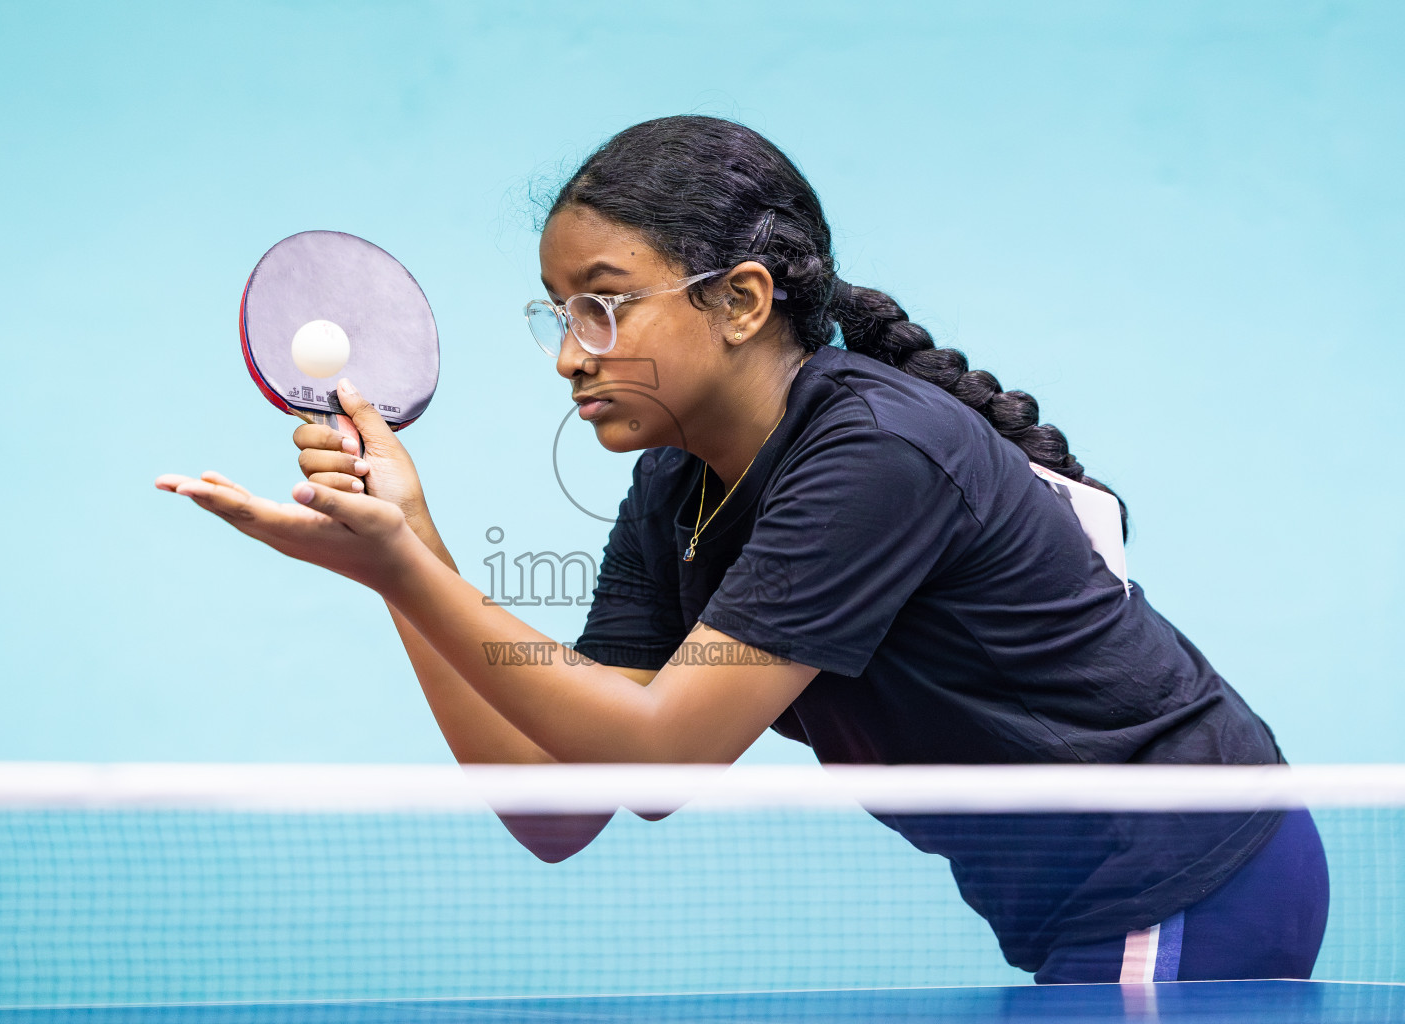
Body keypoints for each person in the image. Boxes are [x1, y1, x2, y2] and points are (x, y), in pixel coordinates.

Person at [156, 115, 1329, 984]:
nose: (569, 354)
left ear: (742, 299)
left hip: (1186, 868)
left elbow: (662, 746)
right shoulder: (676, 482)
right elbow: (563, 807)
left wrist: (399, 566)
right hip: (1079, 904)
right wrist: (409, 551)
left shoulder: (875, 454)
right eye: (556, 310)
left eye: (602, 305)